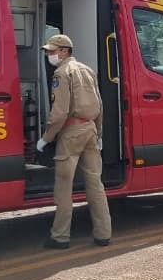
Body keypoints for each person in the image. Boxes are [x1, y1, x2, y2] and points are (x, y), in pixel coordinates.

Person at [35, 34, 112, 249]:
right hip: (89, 129)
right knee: (95, 185)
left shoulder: (61, 73)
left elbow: (59, 113)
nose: (50, 55)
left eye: (53, 51)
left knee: (63, 188)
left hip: (71, 132)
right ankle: (103, 234)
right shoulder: (87, 70)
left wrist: (45, 139)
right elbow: (99, 105)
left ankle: (60, 237)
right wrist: (99, 134)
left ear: (64, 51)